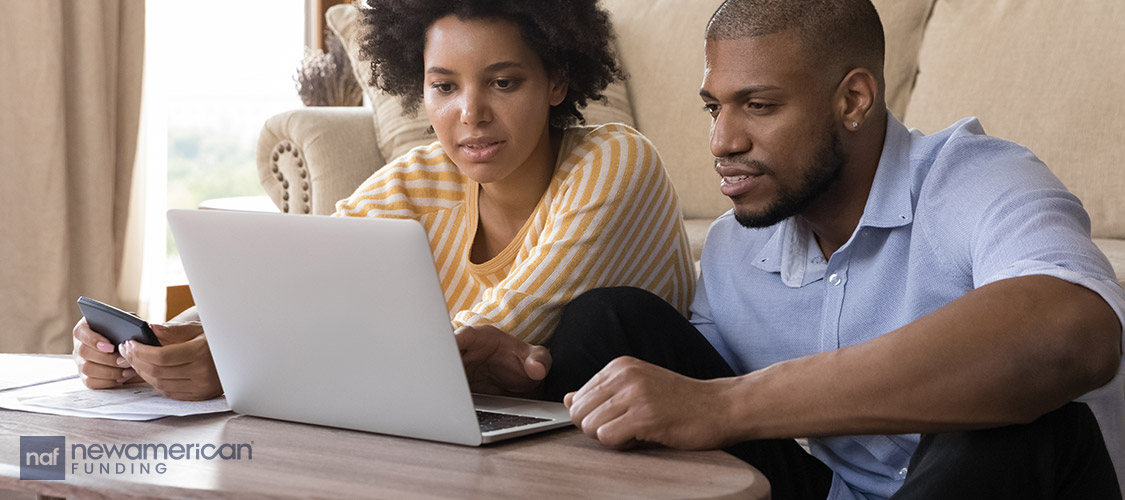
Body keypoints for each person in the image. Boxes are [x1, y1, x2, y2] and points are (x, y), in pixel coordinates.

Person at [542, 0, 1125, 498]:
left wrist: (728, 405)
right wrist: (527, 374)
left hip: (1020, 481)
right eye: (714, 107)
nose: (723, 140)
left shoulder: (979, 180)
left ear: (853, 101)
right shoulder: (733, 248)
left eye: (759, 105)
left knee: (1019, 417)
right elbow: (683, 392)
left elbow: (1073, 333)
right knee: (605, 323)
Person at [71, 0, 695, 402]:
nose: (471, 114)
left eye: (504, 82)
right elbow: (293, 280)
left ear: (557, 80)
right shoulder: (421, 178)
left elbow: (492, 330)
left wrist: (240, 363)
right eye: (444, 87)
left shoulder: (616, 162)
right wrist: (152, 345)